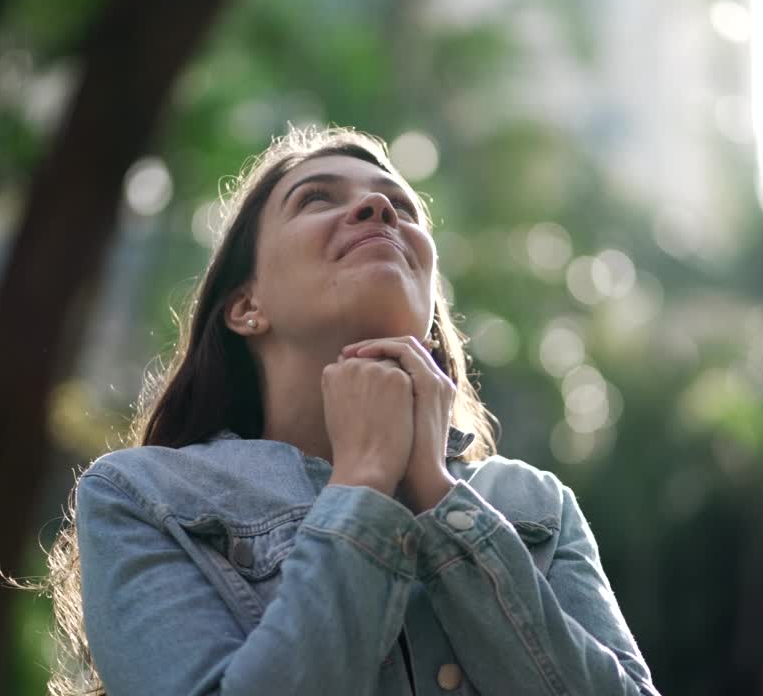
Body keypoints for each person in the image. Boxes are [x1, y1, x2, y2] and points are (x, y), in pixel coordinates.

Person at [38, 126, 660, 695]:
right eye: (316, 199)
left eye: (402, 207)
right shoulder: (140, 497)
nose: (378, 209)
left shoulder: (537, 505)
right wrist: (362, 484)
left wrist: (440, 498)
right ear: (245, 306)